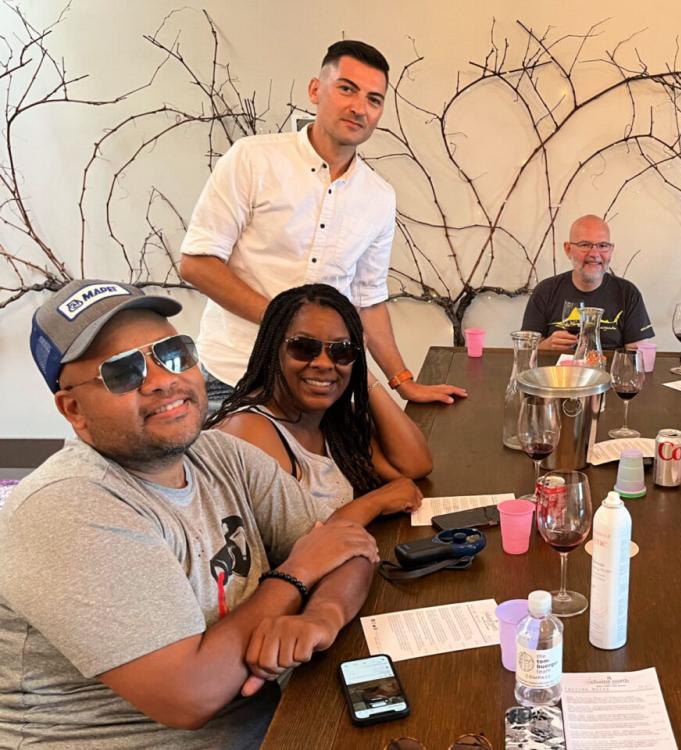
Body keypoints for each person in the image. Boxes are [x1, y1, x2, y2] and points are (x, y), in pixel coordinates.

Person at [0, 280, 379, 749]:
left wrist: (320, 617)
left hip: (278, 720)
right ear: (73, 409)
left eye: (173, 353)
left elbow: (347, 549)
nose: (162, 379)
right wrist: (296, 576)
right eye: (123, 371)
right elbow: (191, 696)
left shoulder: (221, 454)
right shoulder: (68, 505)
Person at [179, 40, 466, 411]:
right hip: (234, 376)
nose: (359, 107)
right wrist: (286, 323)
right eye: (347, 89)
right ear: (315, 90)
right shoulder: (253, 159)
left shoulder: (379, 196)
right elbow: (197, 263)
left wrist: (404, 382)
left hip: (323, 386)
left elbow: (368, 302)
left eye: (374, 99)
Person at [208, 283, 432, 523]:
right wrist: (375, 503)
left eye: (341, 350)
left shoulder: (331, 418)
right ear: (273, 349)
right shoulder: (250, 430)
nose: (324, 363)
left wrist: (360, 370)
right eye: (304, 347)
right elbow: (300, 536)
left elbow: (414, 465)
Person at [520, 214, 654, 351]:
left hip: (608, 365)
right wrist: (546, 346)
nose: (594, 254)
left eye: (602, 245)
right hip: (557, 366)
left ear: (611, 250)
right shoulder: (545, 290)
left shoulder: (628, 293)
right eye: (585, 245)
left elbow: (638, 354)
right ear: (568, 249)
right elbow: (525, 349)